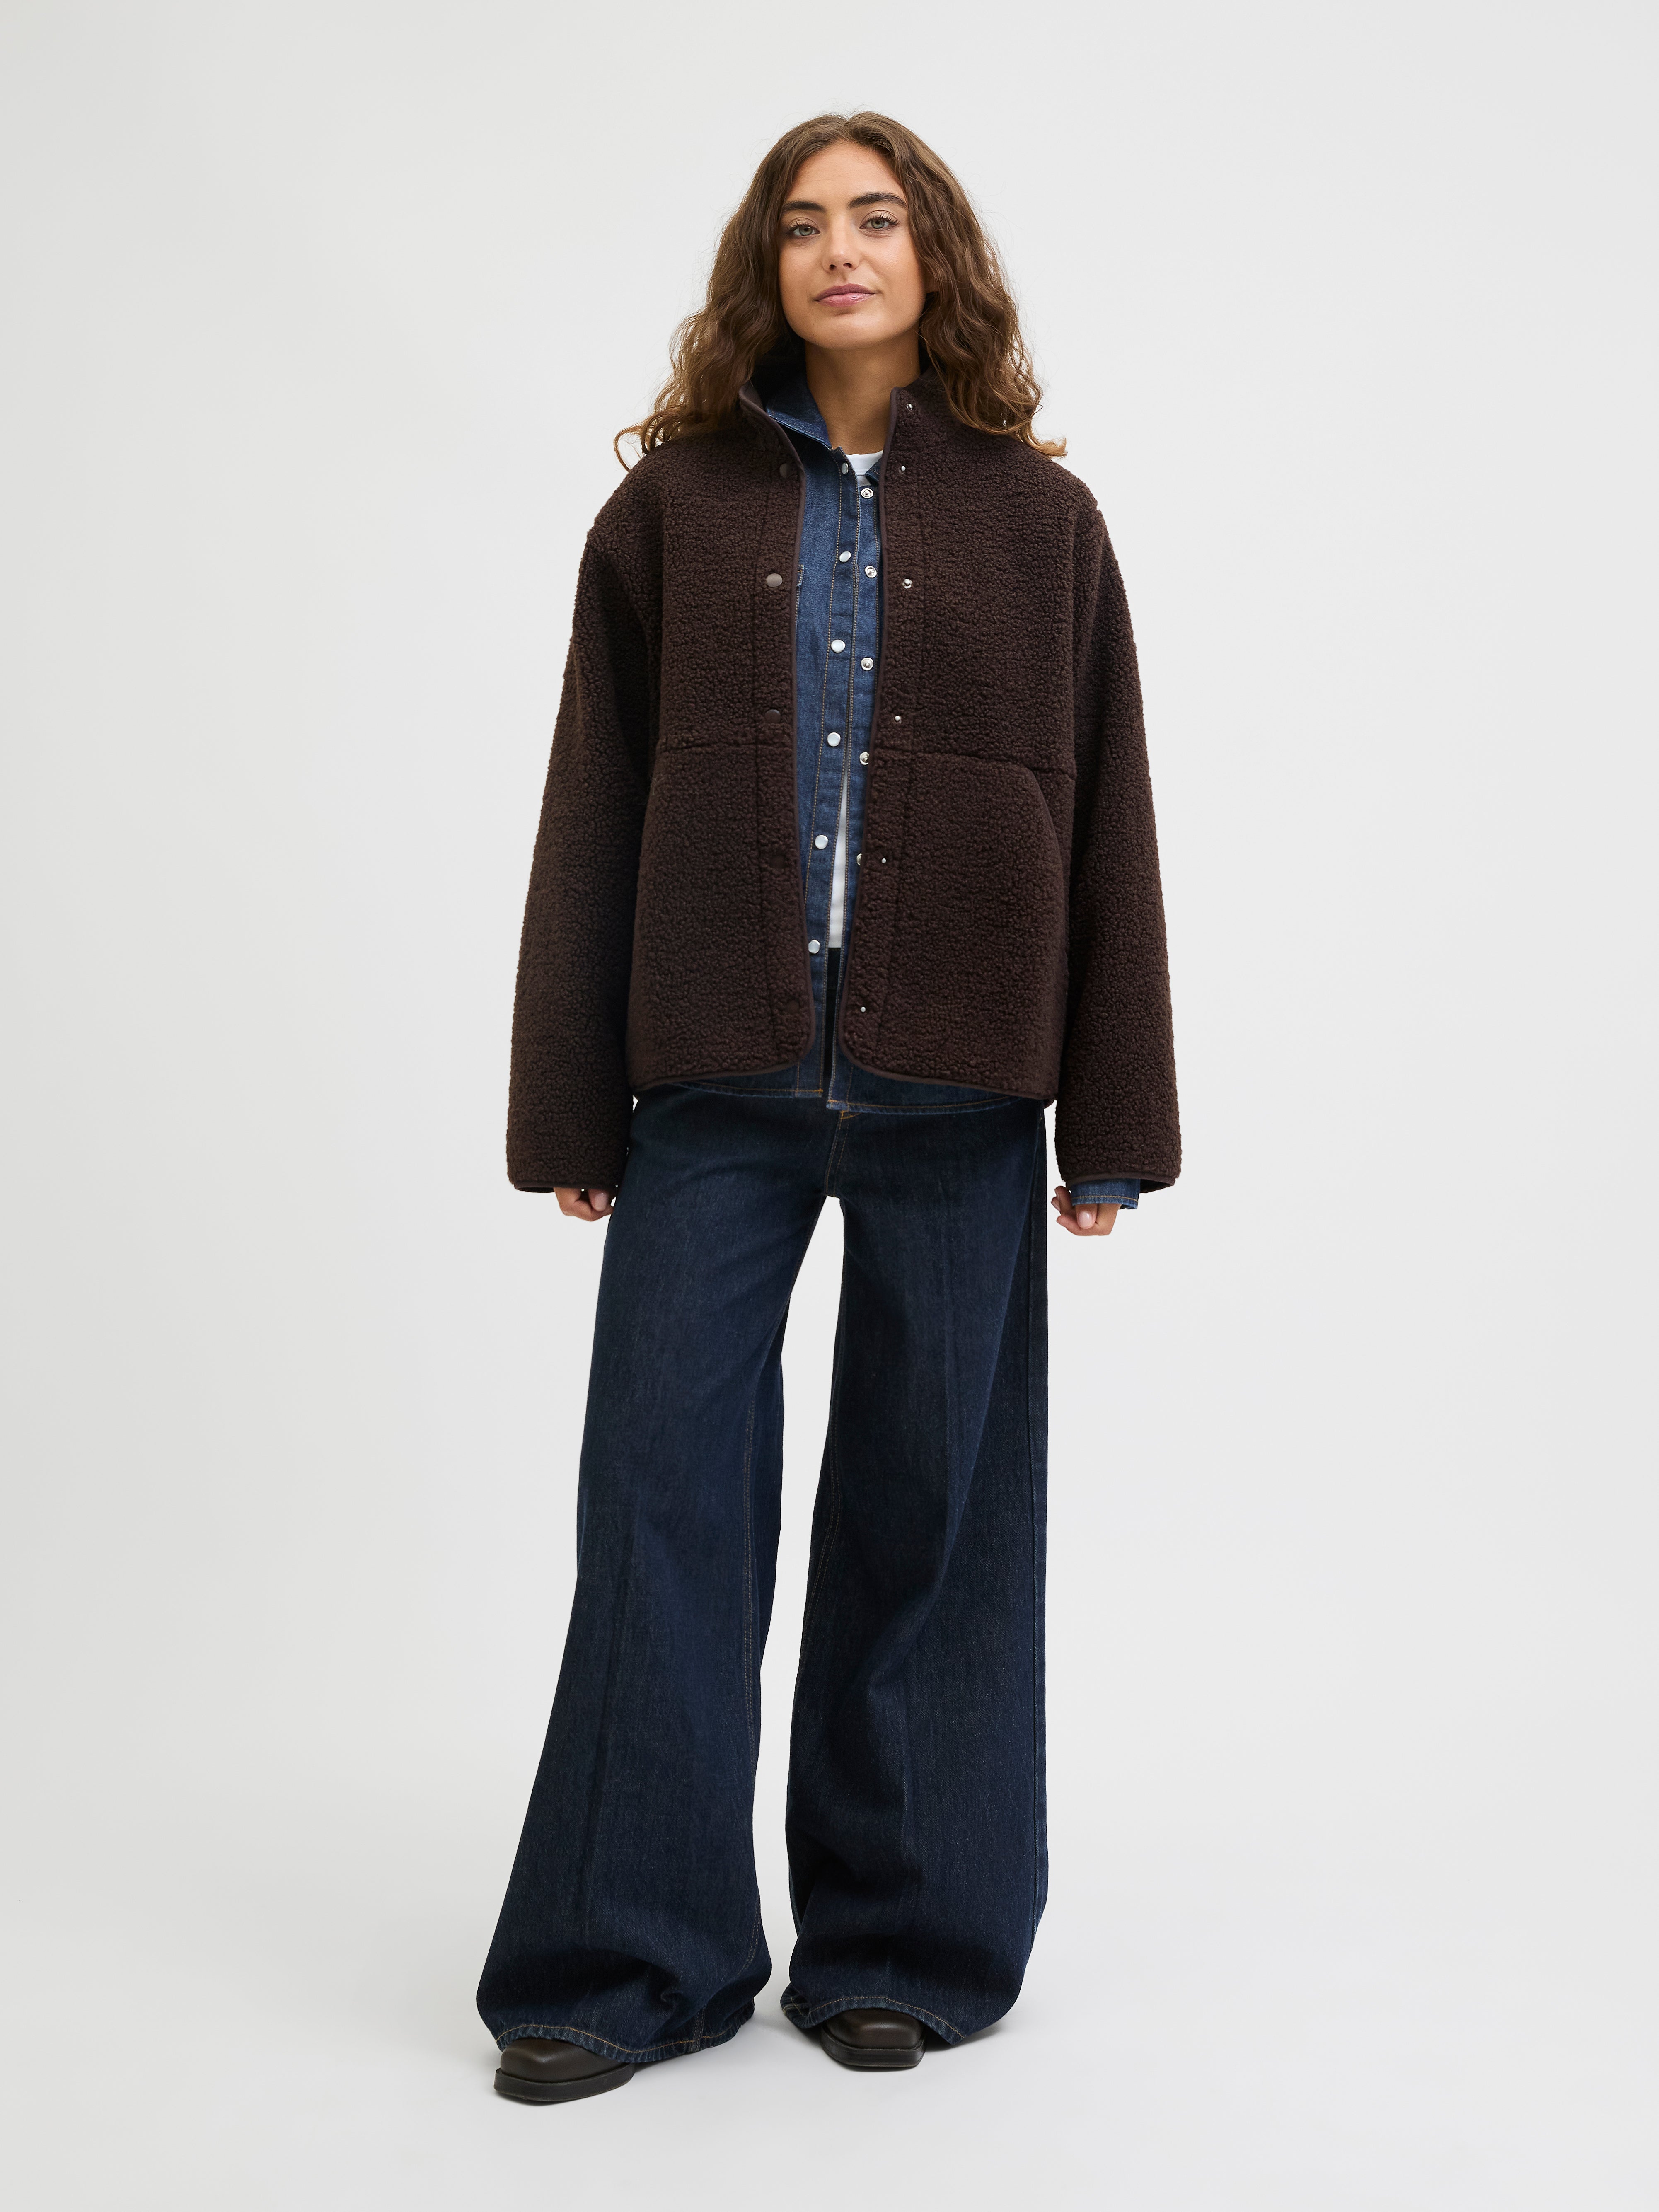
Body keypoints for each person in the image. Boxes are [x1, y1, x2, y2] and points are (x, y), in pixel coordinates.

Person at [476, 110, 1180, 2105]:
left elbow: (1108, 819)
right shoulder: (670, 513)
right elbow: (592, 804)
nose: (838, 249)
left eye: (875, 217)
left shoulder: (1044, 526)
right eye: (801, 224)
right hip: (714, 1085)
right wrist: (569, 1109)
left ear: (933, 253)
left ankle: (903, 1944)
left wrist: (1110, 1121)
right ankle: (627, 1958)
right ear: (763, 268)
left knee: (931, 1519)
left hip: (959, 1096)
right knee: (659, 1507)